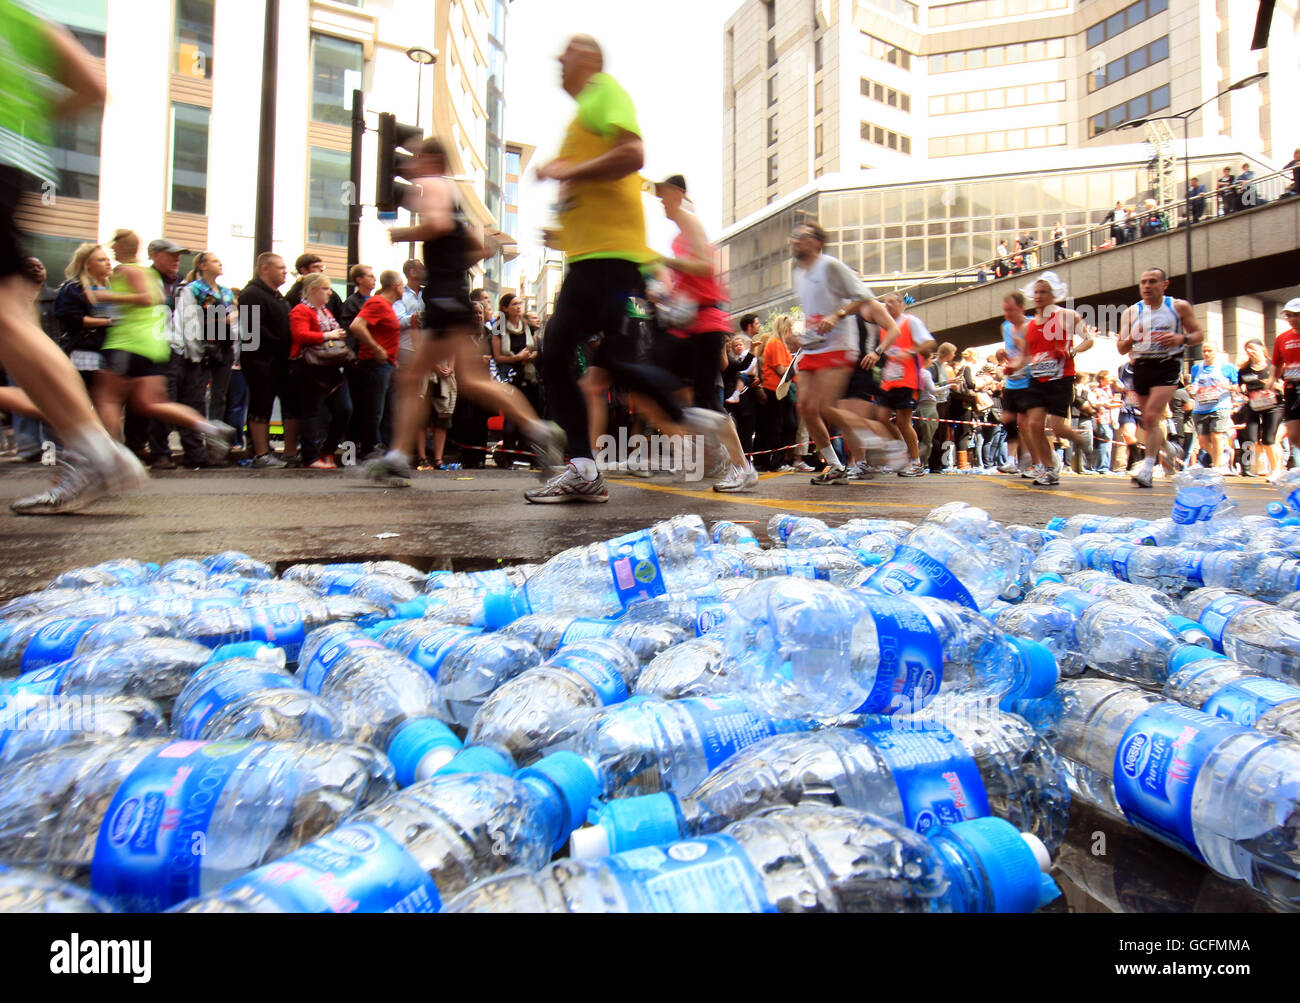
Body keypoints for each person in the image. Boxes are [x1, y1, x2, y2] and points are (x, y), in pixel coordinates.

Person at [519, 36, 727, 503]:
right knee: (608, 363)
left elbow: (633, 155)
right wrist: (563, 224)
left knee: (558, 354)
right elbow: (598, 191)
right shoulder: (582, 116)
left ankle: (586, 468)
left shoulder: (602, 91)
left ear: (590, 60)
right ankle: (691, 419)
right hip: (596, 257)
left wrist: (566, 172)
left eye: (567, 51)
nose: (557, 57)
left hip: (609, 259)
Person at [0, 5, 153, 514]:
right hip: (15, 166)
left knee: (6, 318)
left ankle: (92, 449)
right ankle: (90, 449)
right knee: (13, 315)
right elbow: (92, 85)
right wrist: (30, 122)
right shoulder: (19, 18)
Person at [363, 137, 564, 489]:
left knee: (417, 380)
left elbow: (438, 226)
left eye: (417, 159)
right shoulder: (452, 195)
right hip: (451, 296)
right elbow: (480, 248)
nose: (411, 165)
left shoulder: (432, 186)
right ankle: (539, 431)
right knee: (466, 381)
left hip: (444, 299)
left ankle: (397, 457)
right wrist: (450, 266)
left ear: (432, 161)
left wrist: (403, 232)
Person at [86, 229, 233, 468]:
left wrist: (106, 296)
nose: (176, 260)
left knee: (108, 400)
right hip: (156, 347)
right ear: (153, 255)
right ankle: (210, 429)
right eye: (171, 255)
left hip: (130, 343)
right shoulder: (149, 273)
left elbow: (148, 299)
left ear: (120, 248)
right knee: (152, 404)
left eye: (112, 249)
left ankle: (110, 461)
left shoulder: (129, 271)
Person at [651, 174, 756, 492]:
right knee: (673, 393)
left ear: (679, 193)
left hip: (707, 325)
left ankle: (740, 467)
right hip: (686, 327)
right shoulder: (677, 237)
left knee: (707, 402)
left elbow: (702, 268)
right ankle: (712, 459)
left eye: (664, 196)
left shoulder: (692, 225)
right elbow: (685, 283)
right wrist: (664, 295)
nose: (661, 203)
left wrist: (664, 261)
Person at [787, 220, 906, 486]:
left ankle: (886, 445)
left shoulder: (829, 266)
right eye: (794, 237)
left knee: (826, 407)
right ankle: (835, 465)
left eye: (803, 237)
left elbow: (864, 296)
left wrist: (837, 314)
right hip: (814, 347)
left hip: (840, 347)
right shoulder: (798, 272)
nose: (796, 241)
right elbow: (812, 313)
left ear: (817, 242)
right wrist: (798, 336)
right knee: (805, 407)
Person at [1116, 266, 1203, 488]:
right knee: (1149, 420)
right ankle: (1168, 448)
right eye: (1143, 282)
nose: (1147, 286)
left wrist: (1180, 338)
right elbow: (1121, 348)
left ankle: (1147, 469)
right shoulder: (1131, 312)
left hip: (1167, 365)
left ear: (1164, 285)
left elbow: (1198, 334)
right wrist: (1132, 339)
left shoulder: (1178, 307)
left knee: (1153, 415)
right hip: (1142, 366)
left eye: (1152, 281)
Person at [1005, 272, 1095, 487]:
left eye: (1044, 292)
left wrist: (1071, 352)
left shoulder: (1067, 316)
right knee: (1034, 425)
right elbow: (1026, 355)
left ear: (1053, 295)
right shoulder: (1028, 326)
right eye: (1036, 292)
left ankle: (1080, 440)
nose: (1038, 296)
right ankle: (1050, 469)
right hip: (1037, 380)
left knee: (1058, 428)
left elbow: (1089, 340)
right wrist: (1012, 367)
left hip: (1061, 378)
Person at [174, 250, 238, 467]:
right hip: (203, 347)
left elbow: (235, 314)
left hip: (224, 347)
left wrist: (229, 318)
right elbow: (191, 319)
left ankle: (215, 448)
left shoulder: (226, 292)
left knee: (219, 397)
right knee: (198, 397)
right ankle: (196, 445)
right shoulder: (193, 289)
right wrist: (221, 319)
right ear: (202, 265)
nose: (220, 264)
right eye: (215, 261)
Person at [238, 252, 300, 469]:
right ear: (265, 268)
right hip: (261, 361)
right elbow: (253, 332)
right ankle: (261, 454)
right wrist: (281, 344)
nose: (285, 272)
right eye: (280, 268)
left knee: (291, 404)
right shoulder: (251, 294)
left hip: (283, 361)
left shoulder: (278, 296)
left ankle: (291, 453)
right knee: (260, 406)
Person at [289, 273, 352, 470]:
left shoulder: (325, 311)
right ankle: (310, 457)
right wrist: (329, 335)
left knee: (344, 409)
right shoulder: (301, 310)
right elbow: (300, 335)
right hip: (309, 367)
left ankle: (328, 449)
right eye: (325, 288)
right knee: (312, 411)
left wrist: (336, 335)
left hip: (330, 366)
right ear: (314, 290)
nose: (329, 293)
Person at [874, 292, 934, 477]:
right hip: (889, 380)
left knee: (903, 421)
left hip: (907, 379)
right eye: (885, 303)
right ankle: (902, 453)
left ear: (901, 304)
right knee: (881, 417)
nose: (888, 306)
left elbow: (930, 343)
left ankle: (915, 462)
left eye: (892, 302)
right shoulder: (884, 327)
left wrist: (909, 352)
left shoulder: (911, 321)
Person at [349, 269, 403, 461]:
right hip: (374, 364)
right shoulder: (377, 302)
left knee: (385, 411)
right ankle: (371, 451)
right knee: (375, 410)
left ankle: (382, 451)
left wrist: (390, 357)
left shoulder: (385, 305)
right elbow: (356, 325)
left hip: (384, 364)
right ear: (396, 287)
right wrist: (377, 348)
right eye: (402, 285)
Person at [53, 242, 114, 394]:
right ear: (87, 265)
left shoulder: (110, 289)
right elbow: (71, 318)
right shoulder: (73, 288)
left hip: (106, 354)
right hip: (83, 352)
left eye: (107, 259)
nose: (108, 263)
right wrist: (107, 322)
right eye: (101, 260)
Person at [491, 292, 543, 467]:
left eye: (520, 303)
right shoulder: (499, 326)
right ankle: (508, 456)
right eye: (514, 304)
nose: (518, 307)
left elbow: (536, 348)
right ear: (505, 308)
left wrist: (530, 356)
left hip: (529, 376)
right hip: (510, 376)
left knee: (530, 416)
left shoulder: (528, 325)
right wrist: (516, 358)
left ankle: (529, 455)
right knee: (511, 417)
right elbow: (497, 356)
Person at [997, 292, 1033, 476]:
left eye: (1010, 310)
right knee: (1008, 421)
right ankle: (1011, 461)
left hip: (1028, 381)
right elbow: (1009, 350)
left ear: (1021, 308)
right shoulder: (1005, 326)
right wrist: (1003, 354)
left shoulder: (1032, 324)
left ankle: (1028, 460)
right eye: (1005, 311)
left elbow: (1031, 351)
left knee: (1025, 423)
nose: (1007, 315)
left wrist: (1020, 342)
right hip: (1012, 382)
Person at [755, 315, 796, 471]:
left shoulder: (777, 343)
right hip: (776, 389)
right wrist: (795, 368)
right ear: (785, 328)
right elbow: (780, 369)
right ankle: (775, 462)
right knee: (779, 426)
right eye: (790, 328)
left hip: (778, 388)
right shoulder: (776, 343)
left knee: (782, 425)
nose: (791, 331)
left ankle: (774, 461)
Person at [1237, 338, 1281, 478]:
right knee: (1249, 439)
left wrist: (1274, 385)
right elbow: (1241, 388)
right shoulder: (1244, 370)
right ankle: (1246, 467)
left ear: (1262, 349)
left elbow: (1285, 386)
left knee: (1268, 440)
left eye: (1253, 348)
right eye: (1247, 349)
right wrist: (1243, 392)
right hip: (1254, 406)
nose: (1250, 352)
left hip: (1273, 407)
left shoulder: (1273, 366)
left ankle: (1276, 470)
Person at [1271, 298, 1300, 470]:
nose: (1292, 319)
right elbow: (1276, 364)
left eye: (1296, 315)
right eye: (1289, 316)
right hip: (1292, 389)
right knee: (1294, 435)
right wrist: (1269, 382)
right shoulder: (1282, 338)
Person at [339, 264, 374, 334]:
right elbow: (349, 329)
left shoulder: (375, 300)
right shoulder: (351, 303)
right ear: (359, 280)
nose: (375, 279)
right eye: (370, 276)